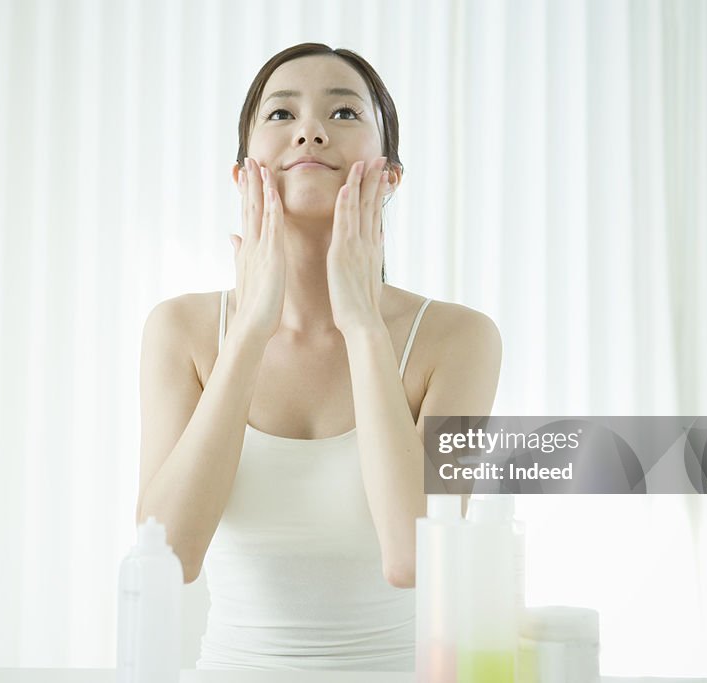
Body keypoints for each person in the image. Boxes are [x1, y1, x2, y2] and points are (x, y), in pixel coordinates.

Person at [135, 43, 502, 671]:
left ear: (390, 175)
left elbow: (413, 560)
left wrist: (363, 326)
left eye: (344, 114)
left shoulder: (459, 340)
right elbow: (165, 559)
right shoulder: (182, 331)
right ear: (243, 172)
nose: (309, 130)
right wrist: (249, 332)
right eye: (281, 115)